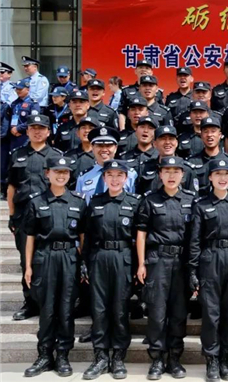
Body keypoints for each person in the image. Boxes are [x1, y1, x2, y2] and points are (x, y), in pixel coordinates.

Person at [23, 155, 86, 378]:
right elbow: (30, 237)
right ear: (47, 174)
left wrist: (83, 263)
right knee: (47, 309)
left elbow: (82, 236)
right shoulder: (36, 201)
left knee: (66, 309)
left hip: (69, 258)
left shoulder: (78, 202)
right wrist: (28, 267)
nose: (61, 175)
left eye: (65, 172)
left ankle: (63, 355)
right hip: (45, 257)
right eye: (57, 172)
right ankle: (44, 355)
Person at [136, 156, 197, 380]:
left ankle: (174, 358)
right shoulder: (150, 200)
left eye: (176, 171)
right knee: (157, 312)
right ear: (160, 174)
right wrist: (141, 263)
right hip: (158, 261)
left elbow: (195, 237)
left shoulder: (191, 200)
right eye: (167, 171)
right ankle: (157, 358)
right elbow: (141, 234)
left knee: (179, 312)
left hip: (181, 263)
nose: (171, 176)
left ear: (183, 175)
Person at [81, 159, 140, 380]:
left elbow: (139, 238)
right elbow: (87, 237)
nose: (114, 179)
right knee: (99, 309)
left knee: (120, 308)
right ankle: (100, 356)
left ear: (126, 178)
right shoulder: (95, 202)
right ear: (104, 178)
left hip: (123, 259)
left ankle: (118, 357)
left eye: (119, 175)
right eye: (110, 175)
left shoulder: (134, 203)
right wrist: (84, 263)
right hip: (99, 258)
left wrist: (138, 265)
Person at [189, 159, 228, 382]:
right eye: (218, 174)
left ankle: (225, 358)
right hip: (210, 259)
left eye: (227, 174)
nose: (223, 178)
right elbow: (195, 240)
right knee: (211, 314)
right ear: (210, 177)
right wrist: (193, 270)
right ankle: (211, 359)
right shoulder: (201, 205)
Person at [7, 114, 62, 321]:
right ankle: (30, 302)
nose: (37, 132)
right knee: (26, 260)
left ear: (48, 132)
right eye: (33, 128)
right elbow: (12, 187)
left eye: (41, 128)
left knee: (49, 259)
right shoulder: (17, 154)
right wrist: (12, 215)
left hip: (49, 216)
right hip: (23, 216)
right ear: (27, 131)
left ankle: (51, 302)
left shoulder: (56, 156)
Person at [76, 126, 137, 205]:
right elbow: (79, 204)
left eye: (108, 146)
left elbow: (133, 203)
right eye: (100, 145)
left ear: (115, 148)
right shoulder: (83, 177)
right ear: (92, 148)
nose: (104, 150)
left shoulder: (130, 174)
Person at [6, 78, 41, 151]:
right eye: (16, 89)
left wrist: (18, 128)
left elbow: (33, 120)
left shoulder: (33, 104)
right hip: (13, 135)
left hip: (25, 135)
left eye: (20, 89)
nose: (18, 91)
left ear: (28, 89)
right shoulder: (14, 103)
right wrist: (12, 129)